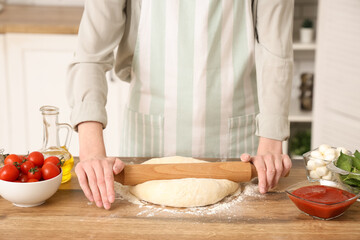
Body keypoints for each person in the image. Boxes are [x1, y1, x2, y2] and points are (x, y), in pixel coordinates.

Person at [67, 0, 294, 210]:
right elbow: (91, 55)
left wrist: (271, 142)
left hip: (239, 148)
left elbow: (275, 50)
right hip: (148, 139)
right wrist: (92, 152)